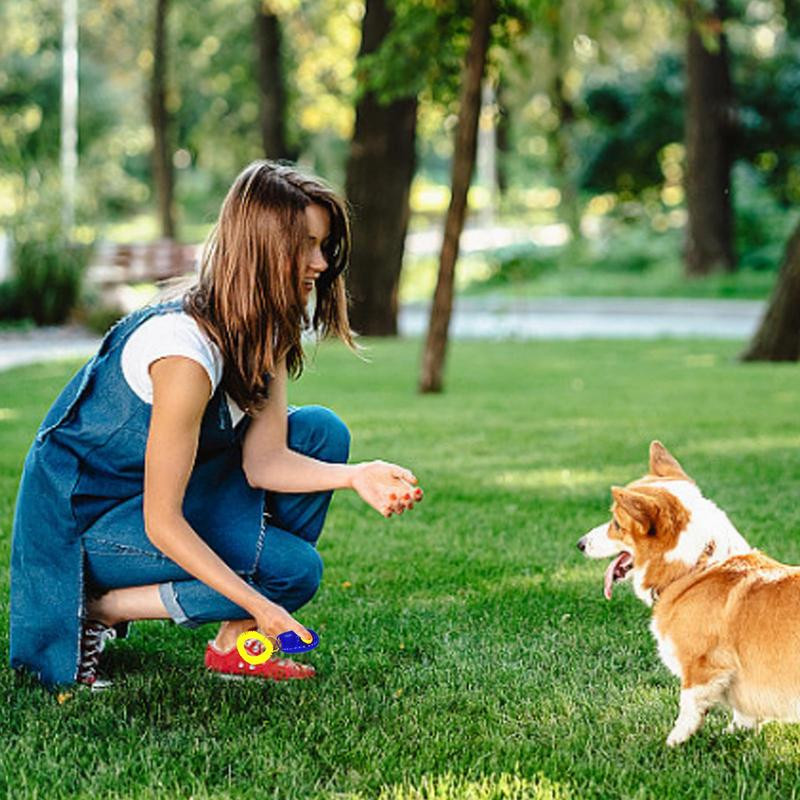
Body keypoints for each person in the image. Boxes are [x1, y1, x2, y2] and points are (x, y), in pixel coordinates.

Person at [9, 160, 423, 690]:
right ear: (262, 248)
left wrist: (356, 474)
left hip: (148, 503)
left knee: (322, 431)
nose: (320, 263)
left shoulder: (264, 328)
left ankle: (233, 644)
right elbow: (163, 522)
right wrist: (260, 604)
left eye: (325, 246)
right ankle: (100, 607)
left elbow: (265, 461)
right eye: (308, 245)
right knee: (291, 572)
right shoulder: (183, 354)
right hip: (86, 523)